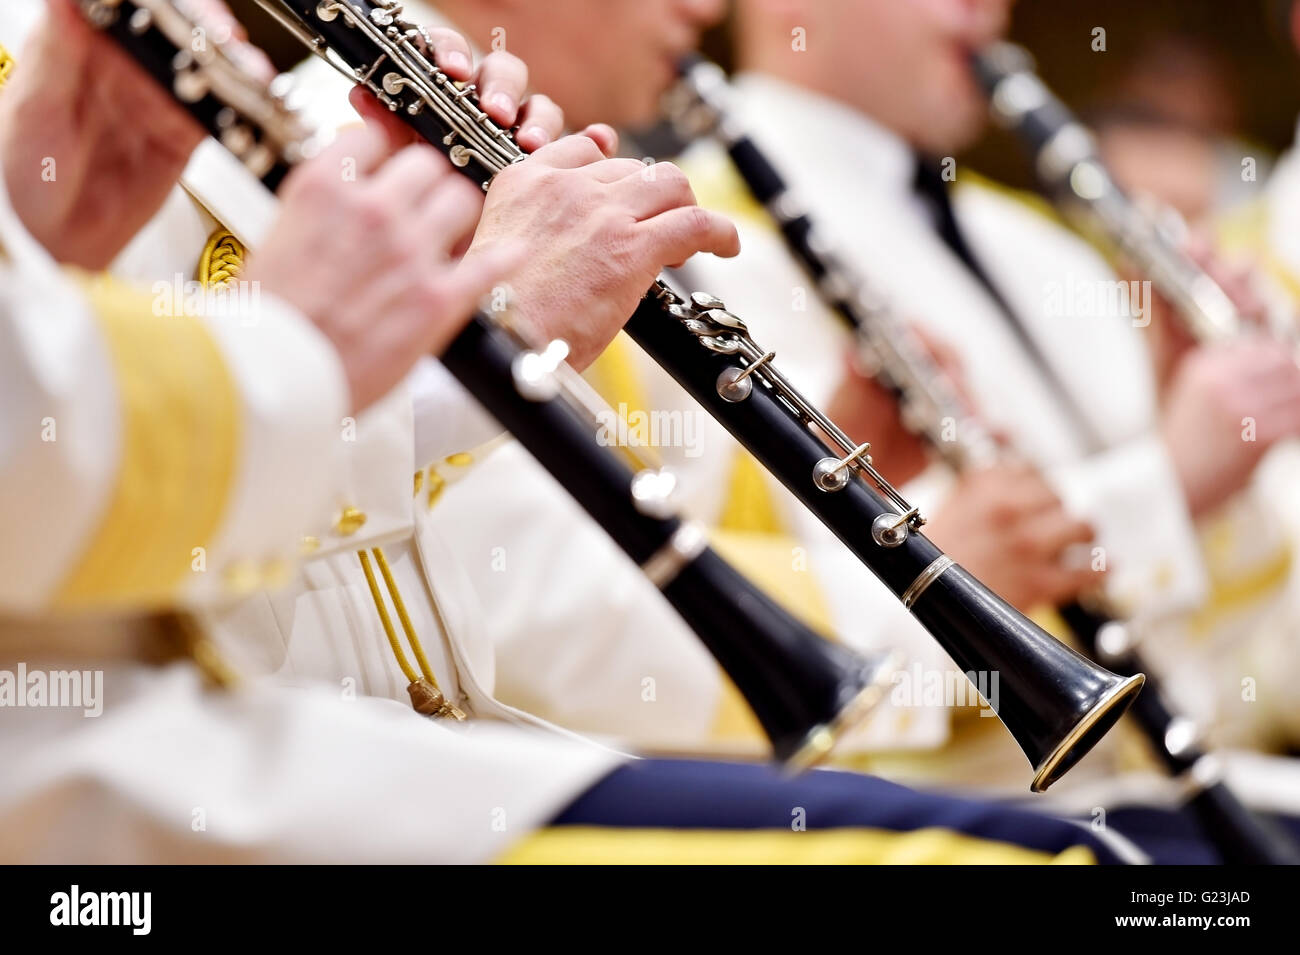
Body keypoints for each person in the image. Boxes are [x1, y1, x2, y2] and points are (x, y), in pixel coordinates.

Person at [0, 0, 1136, 865]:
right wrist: (462, 338)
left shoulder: (243, 97)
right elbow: (548, 612)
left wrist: (63, 233)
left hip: (398, 767)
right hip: (165, 807)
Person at [648, 0, 1300, 811]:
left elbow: (1217, 638)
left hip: (1180, 794)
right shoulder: (699, 244)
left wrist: (1189, 424)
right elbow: (847, 655)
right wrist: (1166, 482)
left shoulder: (1036, 238)